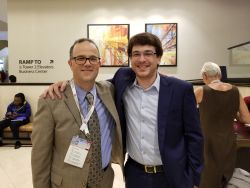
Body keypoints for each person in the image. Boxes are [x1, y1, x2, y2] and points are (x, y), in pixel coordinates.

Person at [43, 32, 204, 188]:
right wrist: (65, 84)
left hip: (172, 175)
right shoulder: (122, 80)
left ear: (158, 58)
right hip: (135, 174)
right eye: (136, 54)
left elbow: (194, 136)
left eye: (148, 53)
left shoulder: (180, 89)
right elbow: (89, 83)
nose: (142, 59)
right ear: (130, 59)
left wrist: (194, 178)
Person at [31, 38, 123, 188]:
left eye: (93, 58)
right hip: (66, 183)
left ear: (99, 63)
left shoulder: (109, 91)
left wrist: (160, 76)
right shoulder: (51, 100)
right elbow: (40, 156)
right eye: (80, 58)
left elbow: (132, 75)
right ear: (70, 63)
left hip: (104, 180)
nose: (87, 63)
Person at [194, 62, 250, 188]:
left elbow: (185, 114)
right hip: (228, 141)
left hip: (208, 142)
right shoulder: (235, 90)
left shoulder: (201, 91)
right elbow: (246, 117)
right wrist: (235, 115)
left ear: (204, 76)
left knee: (207, 178)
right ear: (219, 74)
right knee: (224, 178)